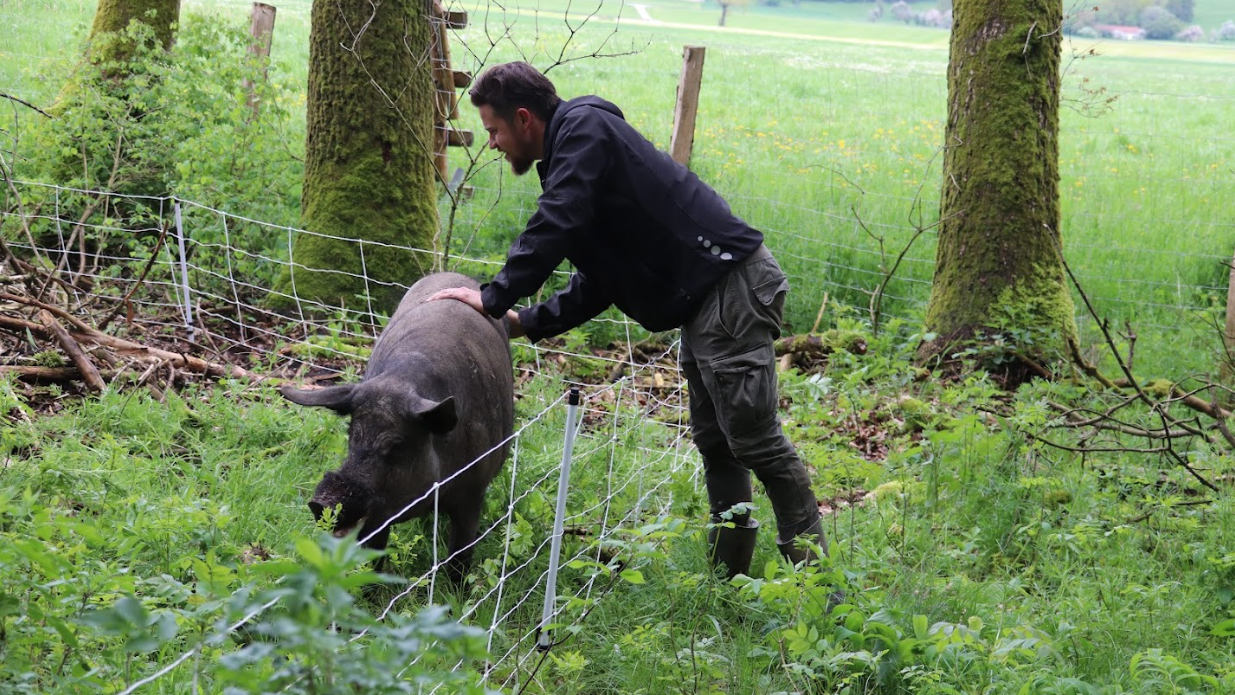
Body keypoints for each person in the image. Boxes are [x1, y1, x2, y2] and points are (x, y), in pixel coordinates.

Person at [428, 61, 826, 578]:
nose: (494, 144)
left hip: (731, 289)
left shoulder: (585, 132)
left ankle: (820, 587)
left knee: (757, 443)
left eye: (494, 131)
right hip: (708, 302)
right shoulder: (575, 159)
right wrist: (525, 320)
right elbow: (600, 279)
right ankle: (731, 582)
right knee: (718, 443)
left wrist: (494, 296)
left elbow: (556, 221)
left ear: (523, 119)